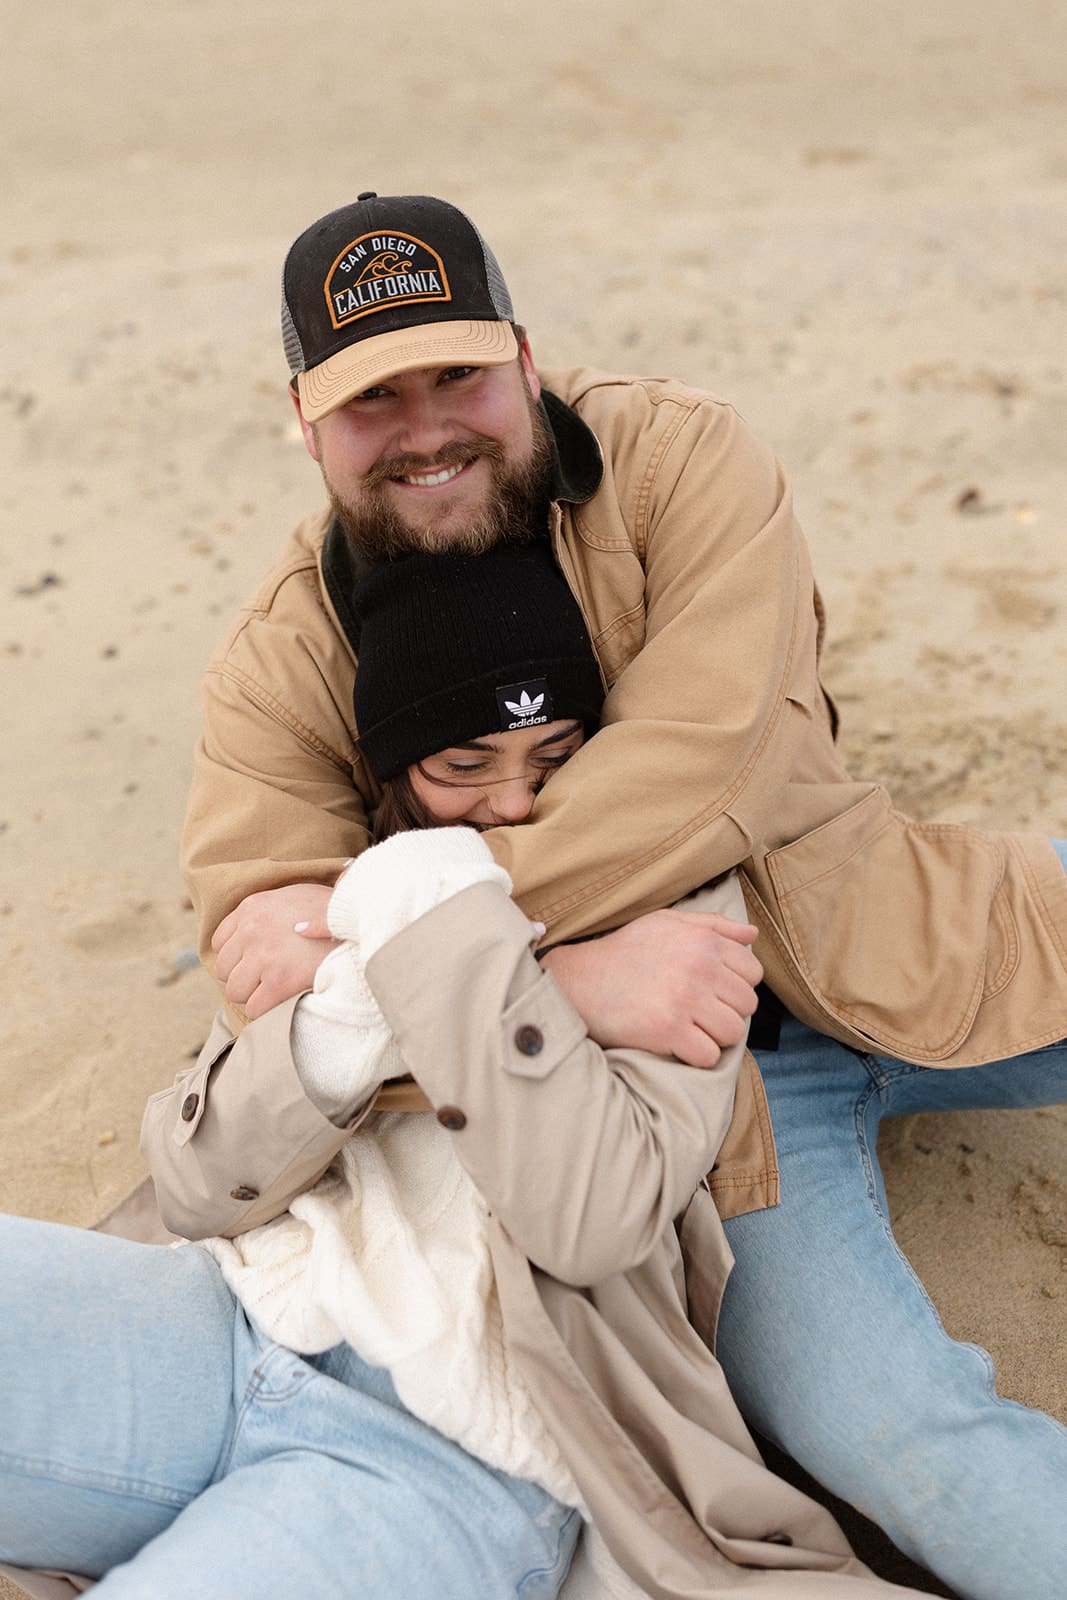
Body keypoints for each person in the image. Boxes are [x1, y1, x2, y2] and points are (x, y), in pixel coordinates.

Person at [180, 192, 1067, 1600]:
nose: (426, 426)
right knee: (900, 1442)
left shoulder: (681, 462)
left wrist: (399, 928)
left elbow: (704, 776)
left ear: (523, 359)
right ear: (303, 416)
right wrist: (569, 982)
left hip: (884, 926)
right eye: (371, 400)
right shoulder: (280, 660)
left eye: (456, 374)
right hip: (681, 1122)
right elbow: (282, 1019)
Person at [0, 543, 923, 1600]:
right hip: (212, 1331)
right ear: (393, 769)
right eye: (463, 766)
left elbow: (588, 1218)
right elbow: (201, 1179)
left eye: (554, 755)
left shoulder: (676, 915)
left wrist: (431, 918)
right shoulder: (358, 890)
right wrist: (503, 973)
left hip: (449, 1449)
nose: (514, 806)